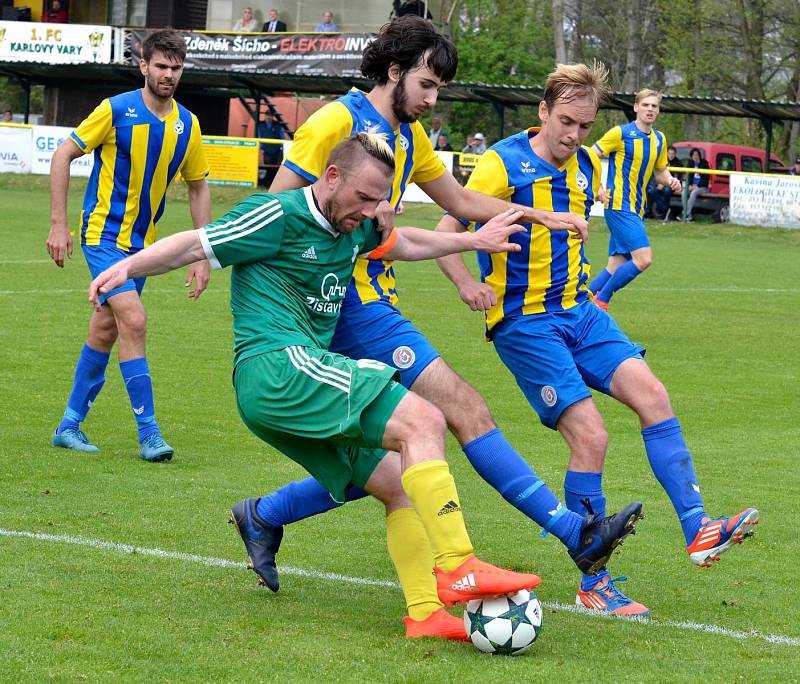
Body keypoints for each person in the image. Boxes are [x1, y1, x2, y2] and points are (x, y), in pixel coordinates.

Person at [251, 15, 641, 637]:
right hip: (343, 304)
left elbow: (458, 204)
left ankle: (265, 514)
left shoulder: (408, 140)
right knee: (461, 408)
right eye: (428, 85)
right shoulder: (335, 122)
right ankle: (573, 533)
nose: (434, 101)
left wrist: (539, 215)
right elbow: (275, 209)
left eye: (438, 90)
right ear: (396, 70)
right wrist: (293, 301)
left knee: (381, 465)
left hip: (375, 296)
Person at [88, 132, 546, 637]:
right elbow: (194, 244)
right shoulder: (278, 214)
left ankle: (425, 613)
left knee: (396, 482)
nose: (372, 211)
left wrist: (472, 240)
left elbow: (404, 242)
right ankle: (459, 564)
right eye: (364, 198)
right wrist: (127, 266)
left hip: (287, 382)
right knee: (425, 418)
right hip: (277, 368)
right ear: (331, 177)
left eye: (380, 201)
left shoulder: (353, 224)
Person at [436, 62, 759, 616]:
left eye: (584, 125)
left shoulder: (587, 163)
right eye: (566, 121)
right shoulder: (501, 162)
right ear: (543, 111)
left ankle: (698, 527)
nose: (574, 135)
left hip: (581, 313)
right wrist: (467, 283)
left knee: (654, 397)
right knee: (591, 436)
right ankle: (595, 581)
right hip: (525, 322)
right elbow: (448, 230)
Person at [45, 29, 211, 462]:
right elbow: (63, 154)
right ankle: (149, 433)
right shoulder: (115, 109)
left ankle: (68, 426)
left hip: (142, 250)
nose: (168, 75)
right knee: (134, 321)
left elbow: (198, 187)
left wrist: (204, 251)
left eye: (176, 68)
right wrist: (59, 224)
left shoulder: (187, 125)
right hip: (102, 237)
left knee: (105, 329)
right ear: (144, 65)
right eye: (161, 66)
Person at [588, 89, 683, 310]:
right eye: (646, 105)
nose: (650, 109)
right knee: (643, 259)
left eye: (654, 106)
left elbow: (660, 171)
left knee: (615, 265)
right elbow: (589, 155)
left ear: (658, 111)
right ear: (636, 107)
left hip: (636, 208)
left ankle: (577, 304)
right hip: (618, 206)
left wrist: (671, 181)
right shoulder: (619, 134)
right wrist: (598, 187)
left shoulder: (659, 139)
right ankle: (601, 301)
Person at [648, 145, 680, 219]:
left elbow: (677, 178)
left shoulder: (678, 163)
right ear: (667, 153)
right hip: (661, 183)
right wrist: (660, 183)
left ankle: (665, 212)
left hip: (671, 185)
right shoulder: (662, 161)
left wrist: (666, 184)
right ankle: (664, 208)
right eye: (669, 153)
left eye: (673, 154)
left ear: (675, 154)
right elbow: (658, 173)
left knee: (666, 191)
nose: (671, 155)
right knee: (652, 191)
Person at [680, 147, 711, 221]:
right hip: (692, 186)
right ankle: (689, 215)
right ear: (691, 156)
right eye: (693, 155)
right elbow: (689, 177)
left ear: (699, 155)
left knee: (693, 193)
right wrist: (689, 185)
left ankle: (685, 214)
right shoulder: (690, 164)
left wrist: (697, 186)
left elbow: (706, 178)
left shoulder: (704, 163)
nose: (695, 157)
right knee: (684, 192)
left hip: (702, 187)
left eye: (696, 155)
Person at [256, 112, 286, 186]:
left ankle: (274, 183)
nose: (268, 117)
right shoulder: (261, 125)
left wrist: (281, 147)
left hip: (277, 150)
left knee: (276, 167)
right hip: (267, 150)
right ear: (265, 116)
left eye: (270, 116)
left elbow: (282, 136)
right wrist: (261, 147)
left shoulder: (277, 125)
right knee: (268, 166)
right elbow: (259, 136)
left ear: (272, 117)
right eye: (267, 116)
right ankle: (267, 183)